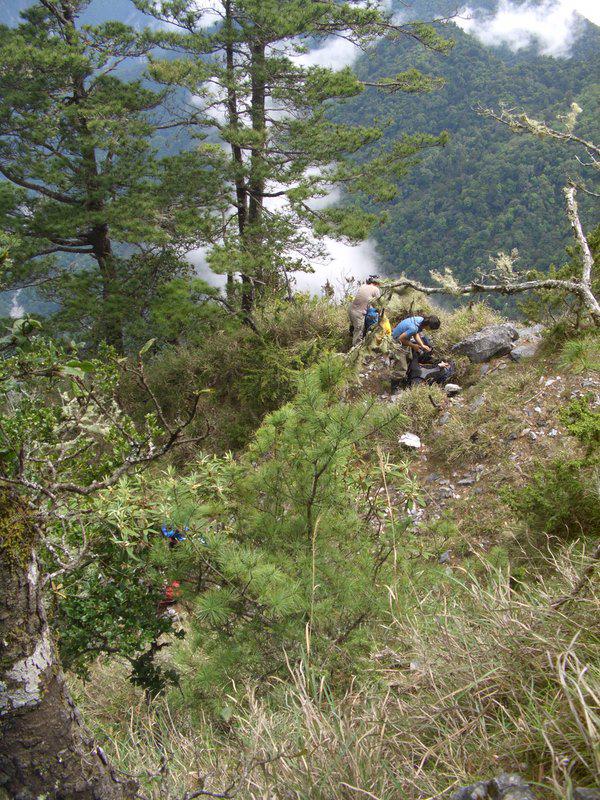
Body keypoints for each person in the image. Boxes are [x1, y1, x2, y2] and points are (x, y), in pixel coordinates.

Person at [389, 314, 441, 391]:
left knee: (409, 358)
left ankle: (402, 376)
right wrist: (413, 345)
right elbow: (401, 339)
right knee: (402, 368)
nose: (430, 330)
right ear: (428, 326)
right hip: (396, 343)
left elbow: (415, 333)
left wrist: (422, 345)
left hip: (403, 340)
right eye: (431, 329)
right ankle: (394, 387)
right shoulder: (414, 327)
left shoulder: (420, 320)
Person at [348, 276, 381, 347]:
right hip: (358, 313)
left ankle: (349, 339)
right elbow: (379, 304)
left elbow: (364, 298)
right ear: (377, 283)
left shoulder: (363, 286)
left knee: (354, 328)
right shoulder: (375, 289)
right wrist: (380, 314)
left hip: (351, 310)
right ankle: (355, 350)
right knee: (358, 334)